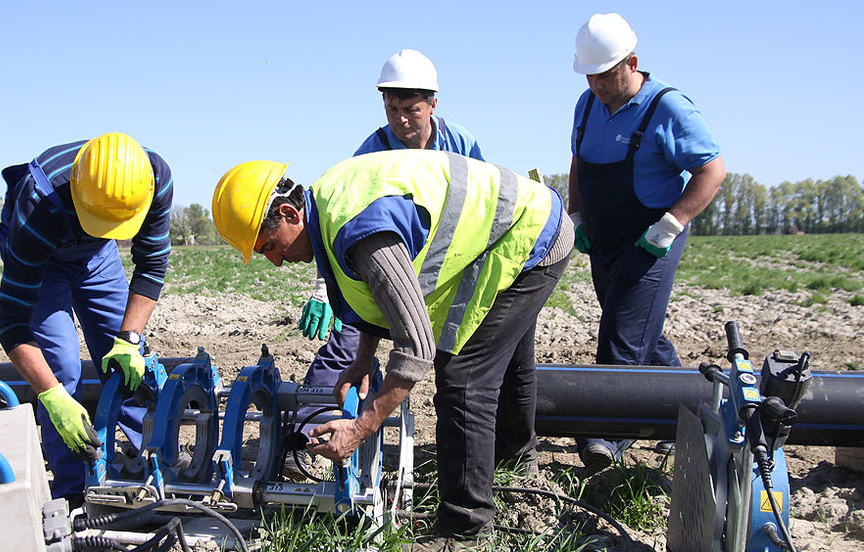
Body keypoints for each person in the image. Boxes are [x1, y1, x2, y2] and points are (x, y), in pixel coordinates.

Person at [212, 150, 573, 549]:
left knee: (465, 377)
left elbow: (416, 346)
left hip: (530, 234)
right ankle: (516, 459)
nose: (276, 261)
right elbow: (373, 294)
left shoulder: (358, 230)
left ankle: (464, 531)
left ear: (289, 213)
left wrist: (361, 427)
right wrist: (363, 358)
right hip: (520, 226)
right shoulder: (331, 212)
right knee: (505, 356)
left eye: (268, 246)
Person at [568, 13, 725, 473]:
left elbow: (711, 170)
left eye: (605, 75)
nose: (596, 85)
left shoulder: (669, 108)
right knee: (641, 332)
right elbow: (578, 159)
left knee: (620, 336)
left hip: (651, 239)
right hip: (604, 237)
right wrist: (577, 213)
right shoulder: (585, 104)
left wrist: (672, 224)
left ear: (631, 62)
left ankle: (607, 437)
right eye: (589, 76)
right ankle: (686, 410)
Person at [299, 48, 485, 411]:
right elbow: (337, 221)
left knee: (465, 358)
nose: (400, 120)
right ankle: (309, 427)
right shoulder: (370, 153)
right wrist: (324, 288)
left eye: (411, 110)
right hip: (385, 263)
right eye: (392, 109)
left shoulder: (460, 143)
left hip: (451, 263)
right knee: (350, 335)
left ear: (432, 104)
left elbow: (482, 200)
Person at [0, 132, 173, 506]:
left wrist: (131, 339)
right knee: (60, 369)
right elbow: (11, 319)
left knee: (124, 358)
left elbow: (152, 265)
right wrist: (53, 395)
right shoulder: (38, 204)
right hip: (46, 259)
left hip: (97, 256)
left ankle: (155, 458)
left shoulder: (152, 178)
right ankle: (74, 489)